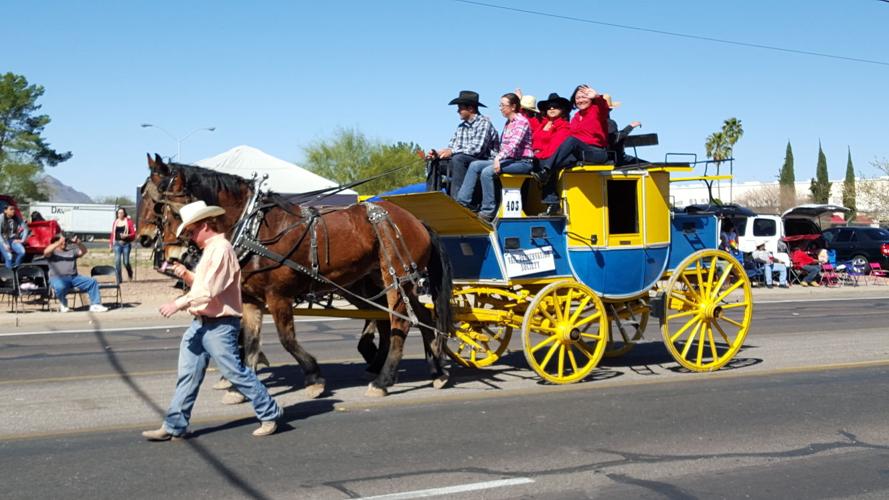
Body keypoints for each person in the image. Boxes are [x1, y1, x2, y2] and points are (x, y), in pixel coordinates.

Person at [142, 201, 282, 441]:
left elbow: (210, 290)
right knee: (188, 376)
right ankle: (174, 425)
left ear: (205, 226)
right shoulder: (211, 250)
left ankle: (270, 412)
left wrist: (177, 303)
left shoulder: (221, 249)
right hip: (201, 324)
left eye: (192, 230)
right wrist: (187, 275)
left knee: (236, 373)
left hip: (219, 325)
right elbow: (205, 283)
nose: (190, 236)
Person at [456, 93, 535, 222]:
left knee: (487, 172)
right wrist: (496, 156)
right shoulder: (507, 123)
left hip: (523, 162)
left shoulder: (522, 122)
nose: (500, 108)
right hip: (508, 160)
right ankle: (462, 202)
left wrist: (498, 159)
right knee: (475, 165)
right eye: (500, 105)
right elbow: (502, 145)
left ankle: (488, 211)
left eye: (503, 105)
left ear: (513, 106)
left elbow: (513, 145)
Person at [533, 84, 611, 214]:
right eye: (578, 98)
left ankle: (545, 172)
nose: (580, 100)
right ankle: (552, 203)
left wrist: (597, 97)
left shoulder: (596, 110)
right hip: (579, 153)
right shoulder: (575, 117)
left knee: (570, 142)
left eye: (584, 97)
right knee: (547, 161)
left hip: (596, 152)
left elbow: (604, 108)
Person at [427, 90, 499, 200]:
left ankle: (457, 200)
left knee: (458, 159)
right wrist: (439, 153)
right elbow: (452, 147)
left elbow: (477, 149)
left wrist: (452, 151)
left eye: (460, 108)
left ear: (470, 109)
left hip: (484, 162)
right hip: (464, 162)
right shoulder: (461, 127)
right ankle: (433, 198)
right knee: (436, 162)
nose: (458, 111)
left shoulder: (484, 123)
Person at [43, 235, 109, 312]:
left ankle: (95, 305)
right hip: (58, 278)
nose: (64, 243)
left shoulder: (71, 251)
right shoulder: (52, 253)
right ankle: (63, 304)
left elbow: (84, 251)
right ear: (55, 243)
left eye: (65, 241)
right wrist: (58, 243)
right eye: (62, 241)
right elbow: (46, 251)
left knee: (92, 282)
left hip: (74, 277)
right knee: (60, 286)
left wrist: (79, 243)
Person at [603, 94, 644, 166]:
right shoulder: (609, 122)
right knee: (649, 166)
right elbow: (615, 138)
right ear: (610, 109)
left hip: (603, 157)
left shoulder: (593, 122)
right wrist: (631, 126)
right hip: (616, 158)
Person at [532, 93, 572, 163]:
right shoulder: (541, 125)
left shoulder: (565, 126)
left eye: (555, 106)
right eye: (549, 106)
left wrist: (538, 156)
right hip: (534, 158)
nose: (551, 108)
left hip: (548, 161)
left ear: (562, 109)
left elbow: (555, 148)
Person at [110, 207, 136, 282]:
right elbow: (112, 233)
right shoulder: (115, 222)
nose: (120, 214)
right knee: (117, 261)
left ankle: (130, 273)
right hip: (117, 244)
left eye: (121, 213)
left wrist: (127, 235)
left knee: (126, 262)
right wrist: (111, 243)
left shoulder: (129, 222)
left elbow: (134, 234)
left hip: (126, 244)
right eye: (119, 213)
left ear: (124, 213)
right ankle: (119, 279)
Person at [1, 203, 29, 269]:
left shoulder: (16, 218)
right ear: (5, 210)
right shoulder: (1, 218)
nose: (13, 211)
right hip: (2, 240)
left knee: (22, 252)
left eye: (14, 209)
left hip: (13, 240)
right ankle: (8, 274)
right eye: (11, 209)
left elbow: (25, 228)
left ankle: (15, 268)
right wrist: (4, 244)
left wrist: (22, 240)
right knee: (9, 256)